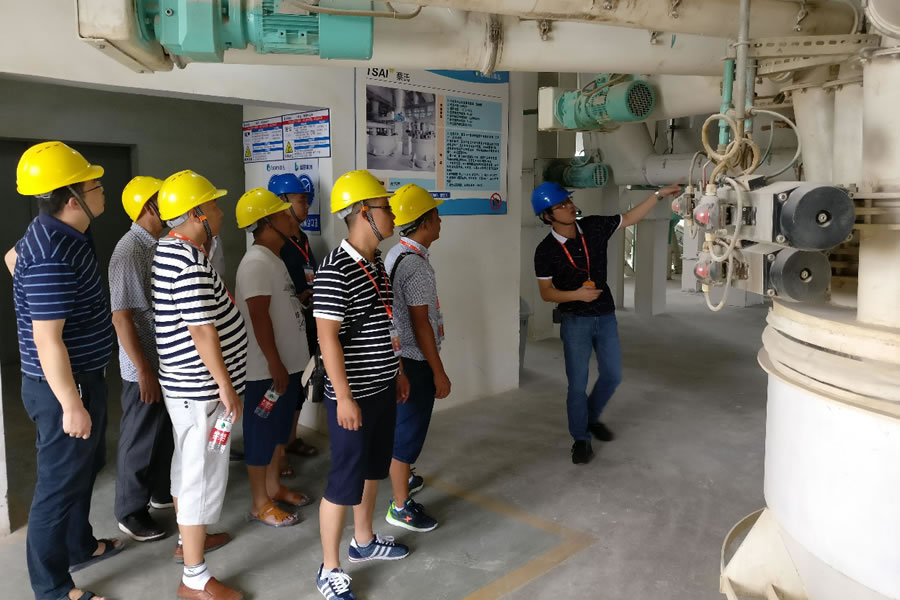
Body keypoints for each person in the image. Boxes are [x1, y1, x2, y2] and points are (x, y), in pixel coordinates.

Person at [12, 141, 121, 600]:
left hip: (81, 378)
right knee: (56, 489)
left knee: (82, 469)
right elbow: (47, 340)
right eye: (95, 186)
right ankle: (52, 589)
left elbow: (11, 258)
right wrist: (71, 404)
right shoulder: (53, 253)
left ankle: (80, 545)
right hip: (63, 388)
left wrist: (33, 295)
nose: (102, 191)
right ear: (73, 199)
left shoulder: (55, 229)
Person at [532, 181, 682, 465]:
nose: (569, 206)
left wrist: (658, 195)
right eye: (561, 205)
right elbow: (546, 293)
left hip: (605, 315)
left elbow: (630, 218)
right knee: (577, 384)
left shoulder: (593, 227)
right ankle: (581, 438)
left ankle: (590, 416)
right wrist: (577, 295)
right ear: (547, 216)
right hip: (575, 320)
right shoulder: (546, 250)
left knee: (613, 375)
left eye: (568, 201)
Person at [313, 170, 411, 600]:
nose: (393, 215)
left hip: (382, 387)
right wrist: (344, 398)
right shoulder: (335, 269)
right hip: (352, 397)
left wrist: (397, 370)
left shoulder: (376, 264)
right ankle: (329, 568)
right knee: (344, 480)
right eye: (385, 208)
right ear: (362, 213)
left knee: (373, 467)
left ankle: (364, 540)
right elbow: (327, 338)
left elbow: (386, 324)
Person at [152, 170, 248, 600]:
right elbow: (202, 331)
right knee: (200, 476)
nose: (220, 211)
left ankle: (188, 540)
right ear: (196, 214)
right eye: (214, 205)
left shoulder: (172, 249)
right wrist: (225, 386)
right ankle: (194, 578)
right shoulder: (188, 264)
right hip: (201, 391)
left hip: (185, 388)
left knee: (187, 467)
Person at [234, 188, 313, 528]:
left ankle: (273, 487)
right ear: (267, 222)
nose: (291, 218)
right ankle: (259, 503)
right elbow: (258, 316)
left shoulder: (273, 258)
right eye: (283, 214)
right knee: (261, 434)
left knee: (278, 432)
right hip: (266, 372)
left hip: (286, 367)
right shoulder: (255, 262)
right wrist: (274, 363)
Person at [383, 184, 450, 533]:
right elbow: (422, 323)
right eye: (436, 215)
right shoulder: (416, 267)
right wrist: (438, 372)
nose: (440, 221)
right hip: (414, 360)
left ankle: (404, 477)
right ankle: (400, 506)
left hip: (399, 357)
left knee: (401, 428)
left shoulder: (396, 253)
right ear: (424, 222)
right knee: (407, 435)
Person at [110, 176, 174, 543]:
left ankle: (159, 492)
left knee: (162, 433)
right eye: (163, 200)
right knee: (139, 438)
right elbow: (122, 318)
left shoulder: (155, 244)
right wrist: (144, 370)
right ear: (149, 207)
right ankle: (130, 511)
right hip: (142, 366)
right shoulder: (128, 251)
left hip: (162, 358)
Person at [267, 173, 319, 478]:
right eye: (301, 200)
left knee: (300, 384)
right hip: (285, 324)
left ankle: (290, 438)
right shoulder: (274, 242)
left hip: (306, 320)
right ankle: (278, 453)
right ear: (282, 203)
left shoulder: (302, 237)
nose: (307, 205)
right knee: (282, 390)